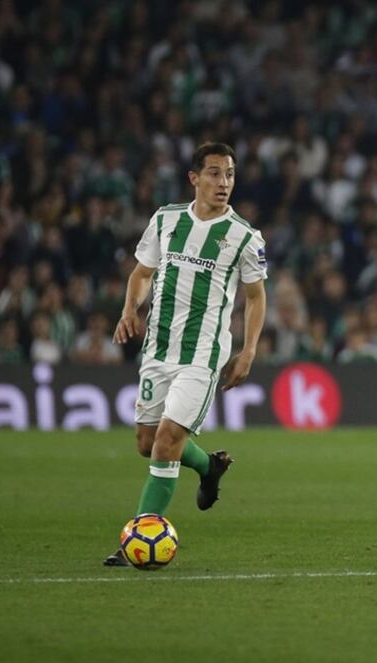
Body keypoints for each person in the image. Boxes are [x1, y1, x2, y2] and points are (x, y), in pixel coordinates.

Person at [103, 142, 268, 565]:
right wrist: (129, 308)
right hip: (159, 347)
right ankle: (209, 467)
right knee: (146, 442)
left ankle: (140, 534)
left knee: (167, 439)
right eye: (214, 173)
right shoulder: (167, 219)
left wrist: (248, 351)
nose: (224, 182)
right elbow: (142, 273)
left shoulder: (244, 236)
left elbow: (255, 297)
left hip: (203, 354)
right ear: (194, 178)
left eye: (230, 174)